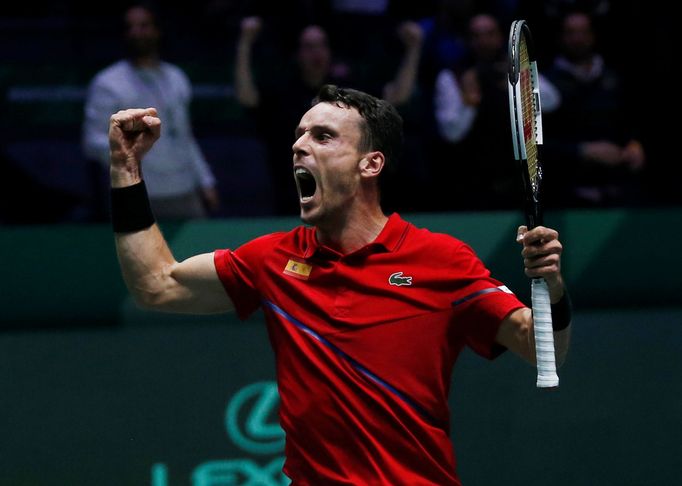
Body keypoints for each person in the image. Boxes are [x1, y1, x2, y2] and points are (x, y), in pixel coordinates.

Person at [106, 84, 572, 485]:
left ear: (370, 164)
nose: (299, 146)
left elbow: (540, 344)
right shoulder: (272, 259)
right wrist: (126, 170)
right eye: (299, 135)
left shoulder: (441, 260)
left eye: (323, 136)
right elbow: (155, 285)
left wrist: (550, 285)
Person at [234, 16, 424, 215]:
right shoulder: (283, 92)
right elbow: (247, 97)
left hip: (345, 202)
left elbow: (397, 95)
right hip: (291, 200)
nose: (316, 52)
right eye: (309, 46)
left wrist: (414, 47)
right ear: (298, 54)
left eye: (321, 45)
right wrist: (245, 42)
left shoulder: (348, 91)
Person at [82, 3, 219, 220]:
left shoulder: (176, 77)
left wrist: (205, 181)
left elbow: (185, 136)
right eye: (130, 27)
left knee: (194, 254)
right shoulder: (107, 83)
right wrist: (127, 151)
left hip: (184, 190)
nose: (136, 32)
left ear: (157, 30)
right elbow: (92, 142)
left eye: (144, 26)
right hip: (136, 193)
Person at [432, 12, 561, 210]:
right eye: (476, 35)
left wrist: (517, 81)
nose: (483, 41)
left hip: (519, 183)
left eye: (490, 34)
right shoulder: (452, 77)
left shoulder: (517, 67)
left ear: (500, 37)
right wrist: (469, 101)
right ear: (467, 40)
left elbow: (553, 102)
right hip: (471, 184)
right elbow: (452, 134)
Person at [542, 10, 646, 207]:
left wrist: (634, 143)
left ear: (593, 35)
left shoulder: (614, 76)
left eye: (583, 32)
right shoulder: (545, 83)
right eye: (571, 32)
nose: (577, 39)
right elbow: (538, 144)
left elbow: (629, 119)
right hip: (566, 194)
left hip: (618, 190)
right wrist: (582, 150)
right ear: (561, 37)